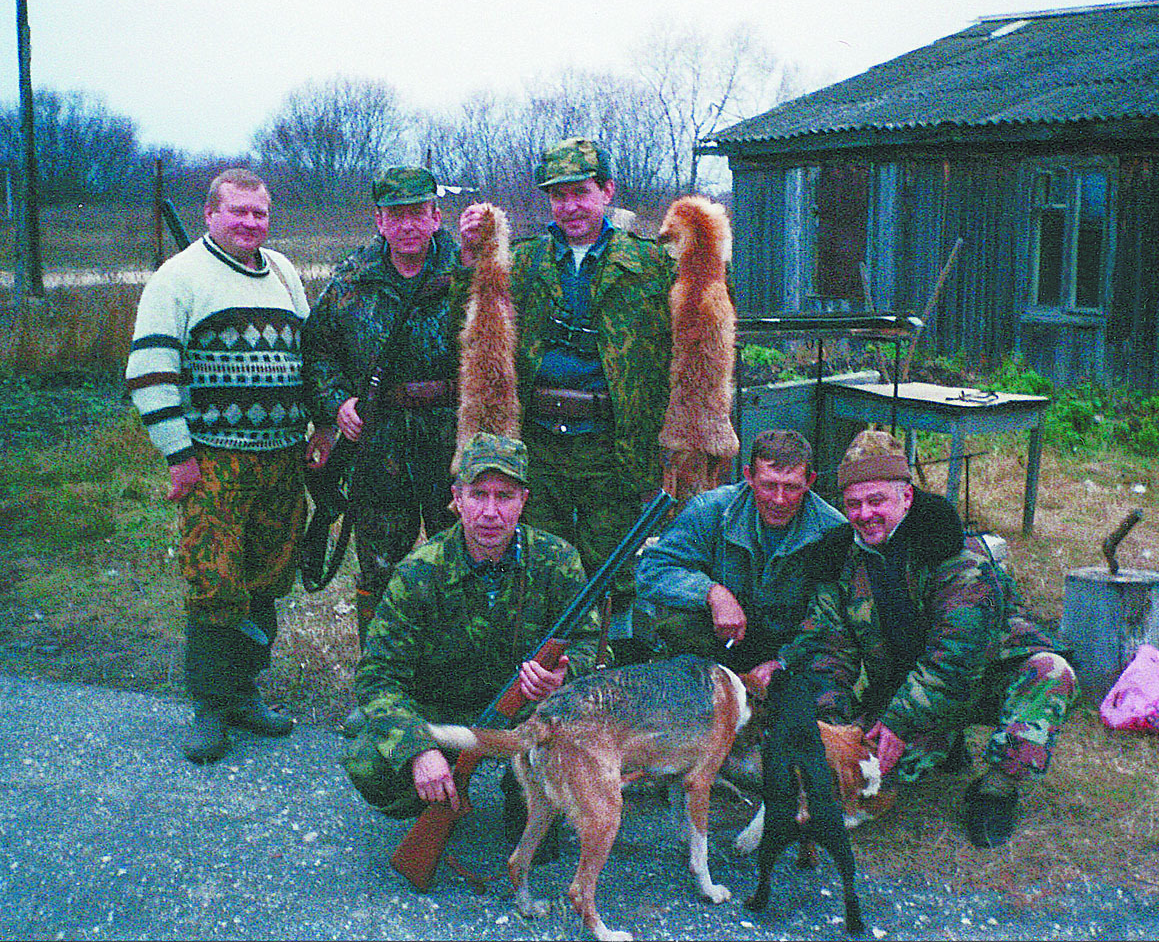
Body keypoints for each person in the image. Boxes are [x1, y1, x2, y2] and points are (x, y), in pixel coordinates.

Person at [779, 430, 1080, 848]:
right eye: (853, 504)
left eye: (876, 501)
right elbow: (829, 652)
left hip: (981, 677)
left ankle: (997, 787)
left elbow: (956, 659)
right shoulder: (839, 561)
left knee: (1051, 673)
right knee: (868, 774)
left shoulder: (958, 556)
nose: (864, 514)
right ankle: (944, 743)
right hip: (909, 685)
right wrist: (835, 732)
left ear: (906, 497)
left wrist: (900, 722)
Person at [341, 432, 603, 857]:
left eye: (505, 496)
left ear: (525, 500)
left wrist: (562, 677)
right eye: (478, 494)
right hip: (443, 712)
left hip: (527, 719)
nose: (490, 512)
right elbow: (377, 677)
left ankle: (524, 793)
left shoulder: (558, 560)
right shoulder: (418, 572)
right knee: (369, 759)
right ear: (456, 498)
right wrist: (417, 751)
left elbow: (594, 647)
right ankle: (442, 796)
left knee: (543, 841)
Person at [125, 168, 310, 764]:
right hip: (213, 463)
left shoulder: (283, 272)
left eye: (259, 213)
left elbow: (308, 356)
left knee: (266, 577)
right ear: (211, 214)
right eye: (238, 212)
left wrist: (317, 431)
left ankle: (244, 692)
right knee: (215, 579)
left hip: (282, 461)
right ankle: (208, 705)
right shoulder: (178, 278)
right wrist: (178, 454)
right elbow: (151, 372)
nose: (250, 223)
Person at [456, 137, 673, 611]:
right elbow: (468, 320)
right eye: (558, 195)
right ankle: (541, 673)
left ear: (607, 192)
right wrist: (471, 254)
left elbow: (701, 323)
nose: (570, 206)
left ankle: (611, 669)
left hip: (610, 446)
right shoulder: (521, 261)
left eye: (581, 193)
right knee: (538, 565)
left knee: (614, 570)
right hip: (538, 445)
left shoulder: (650, 263)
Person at [300, 166, 462, 735]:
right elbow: (316, 351)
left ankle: (448, 688)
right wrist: (335, 401)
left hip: (452, 439)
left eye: (419, 212)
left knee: (455, 566)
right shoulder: (350, 279)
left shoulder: (468, 275)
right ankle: (378, 690)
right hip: (381, 441)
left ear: (436, 217)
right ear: (379, 221)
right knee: (380, 571)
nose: (408, 224)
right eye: (396, 214)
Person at [634, 429, 846, 679]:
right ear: (749, 476)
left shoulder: (831, 530)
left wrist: (784, 662)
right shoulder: (711, 510)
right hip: (718, 641)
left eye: (791, 488)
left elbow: (831, 616)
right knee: (679, 621)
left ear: (809, 482)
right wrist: (712, 593)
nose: (779, 500)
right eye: (768, 485)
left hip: (791, 651)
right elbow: (651, 570)